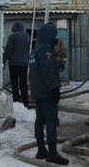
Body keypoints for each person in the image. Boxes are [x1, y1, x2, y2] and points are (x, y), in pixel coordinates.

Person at [29, 23, 69, 165]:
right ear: (48, 34)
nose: (55, 37)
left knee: (40, 121)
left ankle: (41, 149)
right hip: (46, 92)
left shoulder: (35, 50)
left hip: (38, 92)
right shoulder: (46, 50)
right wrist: (54, 89)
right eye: (54, 34)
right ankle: (52, 153)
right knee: (52, 121)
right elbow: (47, 72)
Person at [3, 21, 30, 107]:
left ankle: (17, 101)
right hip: (24, 64)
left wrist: (3, 61)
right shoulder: (27, 37)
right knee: (23, 84)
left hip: (14, 64)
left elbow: (8, 50)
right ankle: (25, 102)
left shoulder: (12, 36)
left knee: (14, 84)